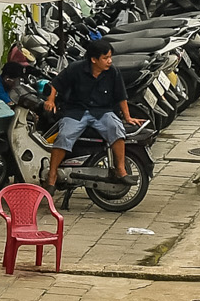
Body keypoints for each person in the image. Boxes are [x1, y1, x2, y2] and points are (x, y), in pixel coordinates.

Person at [43, 37, 138, 189]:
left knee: (117, 129)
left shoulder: (113, 72)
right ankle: (52, 175)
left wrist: (127, 117)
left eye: (110, 57)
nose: (109, 61)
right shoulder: (76, 68)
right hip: (76, 112)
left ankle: (120, 168)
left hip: (102, 112)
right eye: (105, 58)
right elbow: (56, 83)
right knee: (65, 136)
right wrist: (50, 100)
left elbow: (121, 96)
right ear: (94, 59)